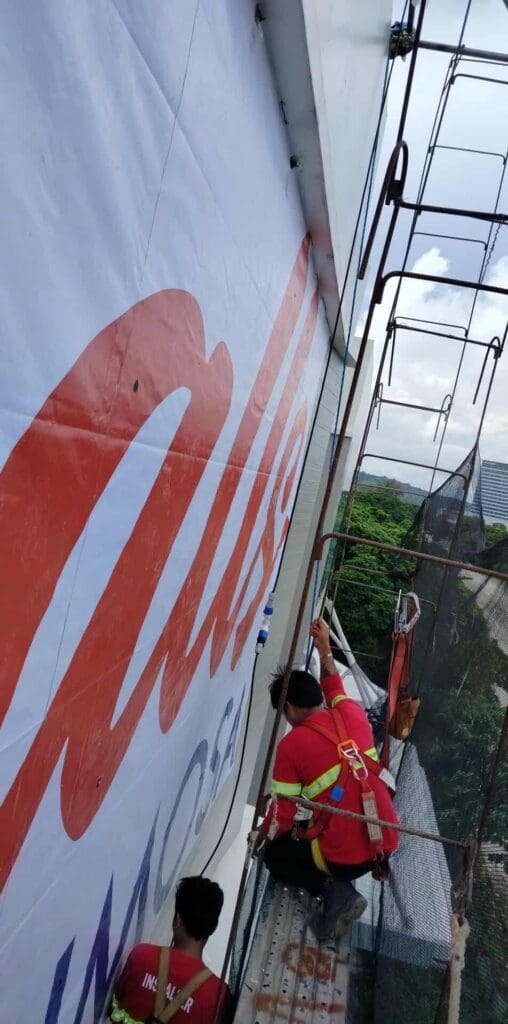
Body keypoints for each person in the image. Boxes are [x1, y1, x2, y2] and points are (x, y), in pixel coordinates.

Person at [258, 618, 399, 941]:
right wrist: (324, 648)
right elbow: (334, 685)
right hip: (383, 846)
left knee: (276, 856)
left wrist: (259, 834)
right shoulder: (351, 712)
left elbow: (283, 817)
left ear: (290, 708)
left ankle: (336, 892)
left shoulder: (291, 746)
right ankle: (341, 883)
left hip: (344, 860)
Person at [111, 876, 231, 1023]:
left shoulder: (140, 956)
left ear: (178, 920)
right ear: (212, 928)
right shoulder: (219, 996)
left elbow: (116, 1004)